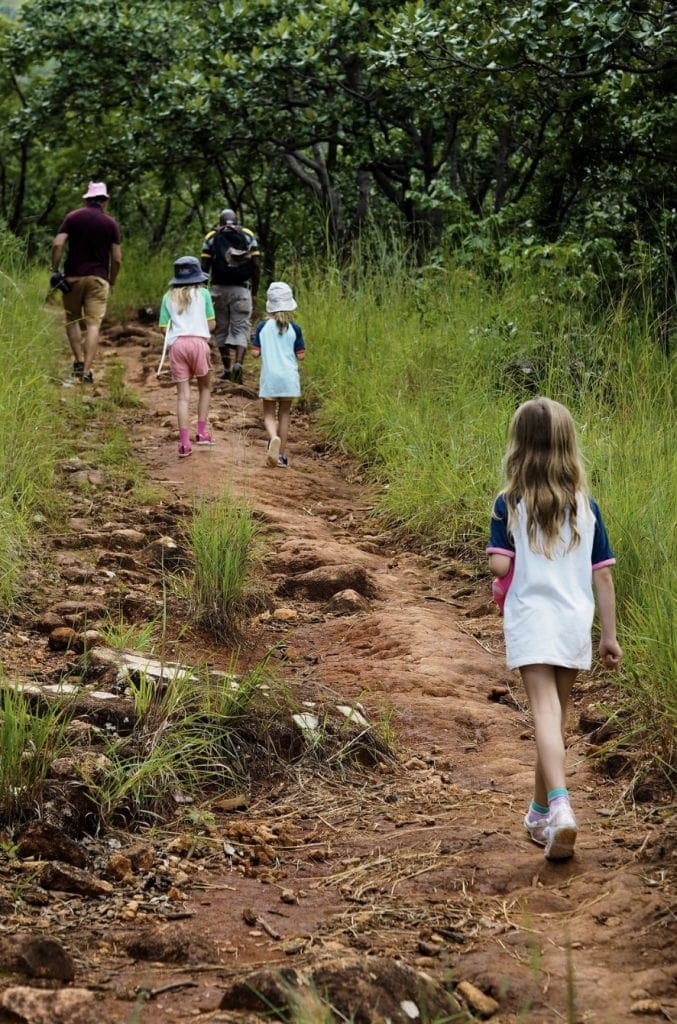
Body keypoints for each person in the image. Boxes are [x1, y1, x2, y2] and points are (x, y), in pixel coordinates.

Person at [487, 397, 622, 862]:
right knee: (556, 718)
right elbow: (602, 574)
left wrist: (501, 562)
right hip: (573, 621)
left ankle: (562, 808)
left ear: (518, 447)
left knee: (544, 713)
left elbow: (498, 561)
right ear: (568, 448)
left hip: (531, 618)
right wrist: (610, 635)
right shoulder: (588, 508)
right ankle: (540, 811)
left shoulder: (510, 504)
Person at [50, 181, 122, 383]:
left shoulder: (72, 217)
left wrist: (55, 270)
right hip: (98, 279)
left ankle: (78, 361)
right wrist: (112, 281)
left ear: (86, 199)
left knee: (72, 319)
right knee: (93, 324)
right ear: (105, 201)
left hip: (72, 278)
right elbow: (116, 259)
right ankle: (87, 372)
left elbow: (57, 244)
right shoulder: (110, 224)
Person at [158, 256, 216, 458]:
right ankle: (201, 433)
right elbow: (211, 325)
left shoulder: (168, 297)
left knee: (183, 396)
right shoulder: (204, 294)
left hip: (178, 346)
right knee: (205, 387)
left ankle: (184, 444)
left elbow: (163, 328)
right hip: (199, 344)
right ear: (198, 276)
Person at [200, 208, 260, 383]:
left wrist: (203, 292)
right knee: (241, 327)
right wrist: (254, 292)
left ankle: (226, 369)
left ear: (220, 222)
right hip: (242, 289)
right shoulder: (247, 235)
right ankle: (238, 364)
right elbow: (256, 265)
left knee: (221, 329)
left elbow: (204, 266)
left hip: (218, 290)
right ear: (237, 221)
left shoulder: (211, 236)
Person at [251, 282, 305, 469]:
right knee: (284, 414)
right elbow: (301, 355)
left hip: (270, 378)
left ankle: (273, 437)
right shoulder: (295, 329)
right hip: (289, 379)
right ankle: (281, 455)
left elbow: (255, 353)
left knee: (268, 414)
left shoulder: (262, 327)